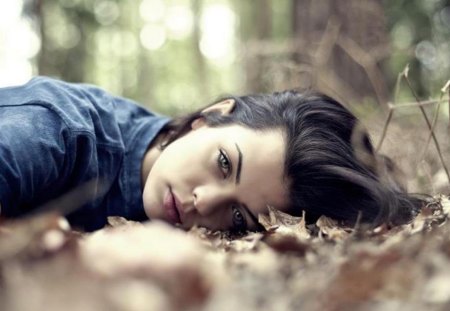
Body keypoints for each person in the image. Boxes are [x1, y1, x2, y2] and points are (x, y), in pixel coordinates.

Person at [0, 76, 421, 232]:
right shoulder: (63, 131)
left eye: (239, 217)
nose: (205, 202)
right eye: (225, 164)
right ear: (210, 117)